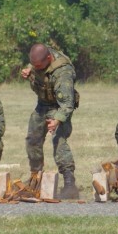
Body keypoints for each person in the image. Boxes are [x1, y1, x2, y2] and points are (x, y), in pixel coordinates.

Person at [20, 43, 80, 199]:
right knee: (32, 139)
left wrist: (57, 121)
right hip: (42, 105)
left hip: (59, 107)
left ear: (49, 58)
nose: (36, 68)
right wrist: (28, 71)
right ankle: (35, 178)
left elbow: (67, 104)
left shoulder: (63, 73)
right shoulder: (40, 58)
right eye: (34, 65)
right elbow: (34, 64)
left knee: (59, 139)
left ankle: (69, 183)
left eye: (39, 66)